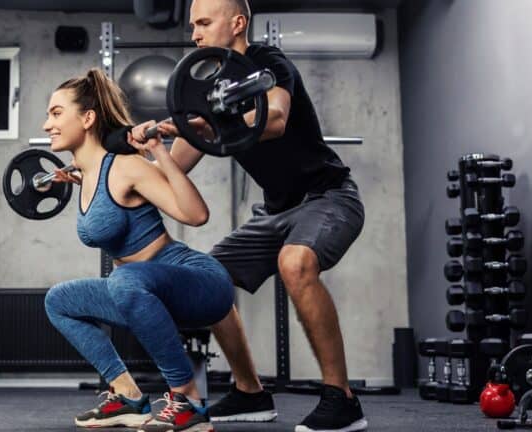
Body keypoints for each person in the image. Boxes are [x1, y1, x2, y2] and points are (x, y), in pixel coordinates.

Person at [130, 0, 368, 431]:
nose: (195, 34)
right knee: (210, 279)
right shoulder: (208, 89)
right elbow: (173, 169)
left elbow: (273, 118)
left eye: (203, 23)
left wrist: (199, 123)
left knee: (294, 262)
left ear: (237, 23)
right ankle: (249, 392)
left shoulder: (266, 62)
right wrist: (110, 170)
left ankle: (342, 400)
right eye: (192, 26)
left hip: (329, 197)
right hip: (276, 212)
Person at [42, 67, 232, 432]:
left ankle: (189, 401)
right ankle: (127, 396)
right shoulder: (87, 174)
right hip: (137, 288)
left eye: (55, 113)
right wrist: (75, 177)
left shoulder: (127, 166)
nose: (47, 123)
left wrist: (159, 151)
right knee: (59, 301)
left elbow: (196, 214)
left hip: (200, 283)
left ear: (88, 118)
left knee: (124, 280)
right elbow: (102, 202)